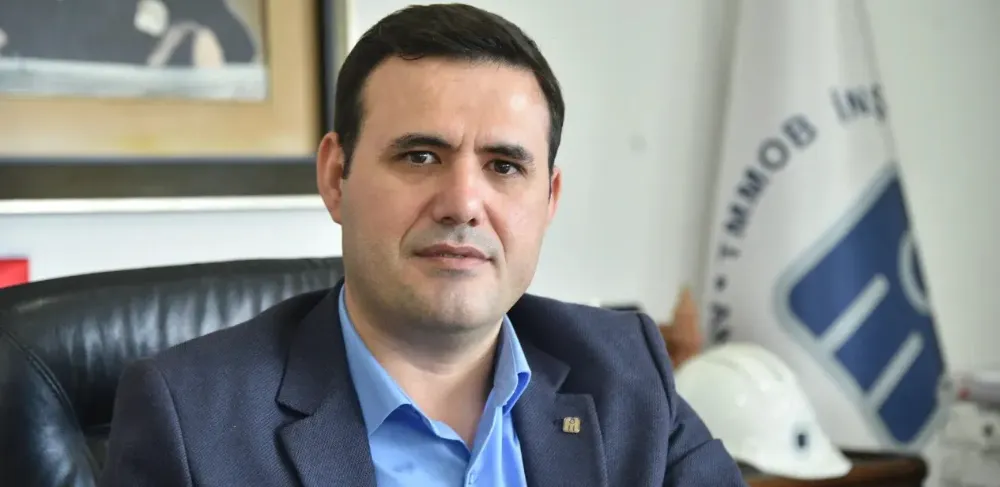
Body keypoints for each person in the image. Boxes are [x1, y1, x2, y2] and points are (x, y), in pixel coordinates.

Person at [99, 4, 747, 486]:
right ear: (336, 176)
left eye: (503, 166)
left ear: (548, 200)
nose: (463, 203)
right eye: (420, 156)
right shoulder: (191, 420)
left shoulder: (623, 373)